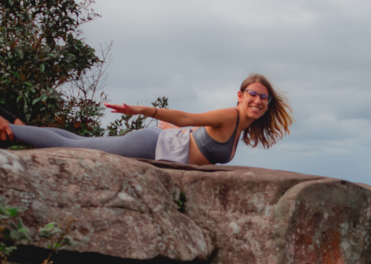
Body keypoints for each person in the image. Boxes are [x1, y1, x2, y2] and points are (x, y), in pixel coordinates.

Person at [0, 74, 293, 165]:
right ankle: (8, 126)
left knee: (78, 141)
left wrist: (182, 131)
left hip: (158, 143)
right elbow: (187, 117)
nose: (257, 100)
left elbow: (195, 130)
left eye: (264, 98)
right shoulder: (230, 116)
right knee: (78, 148)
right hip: (149, 147)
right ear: (240, 96)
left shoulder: (237, 127)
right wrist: (146, 111)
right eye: (253, 94)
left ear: (268, 105)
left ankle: (16, 127)